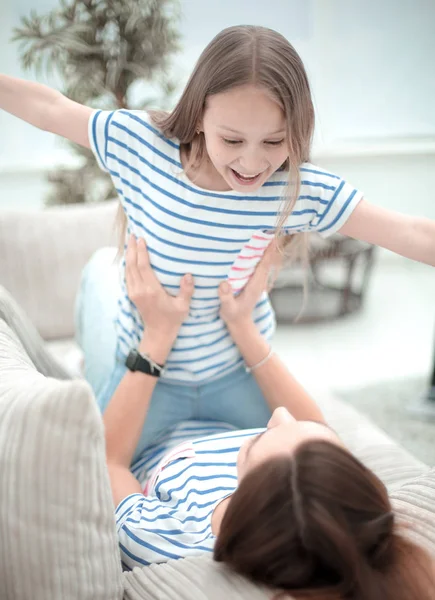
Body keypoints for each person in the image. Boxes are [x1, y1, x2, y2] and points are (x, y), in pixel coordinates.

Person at [1, 25, 435, 459]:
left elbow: (410, 232)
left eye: (274, 141)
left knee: (320, 462)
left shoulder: (299, 189)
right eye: (232, 139)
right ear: (199, 113)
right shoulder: (142, 143)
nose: (251, 162)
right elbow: (48, 108)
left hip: (235, 373)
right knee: (96, 467)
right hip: (149, 371)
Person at [104, 235, 434, 600]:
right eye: (314, 437)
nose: (279, 413)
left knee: (102, 275)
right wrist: (242, 325)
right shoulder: (333, 505)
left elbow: (109, 460)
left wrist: (157, 336)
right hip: (227, 410)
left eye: (260, 436)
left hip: (147, 429)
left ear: (246, 491)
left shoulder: (172, 537)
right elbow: (315, 426)